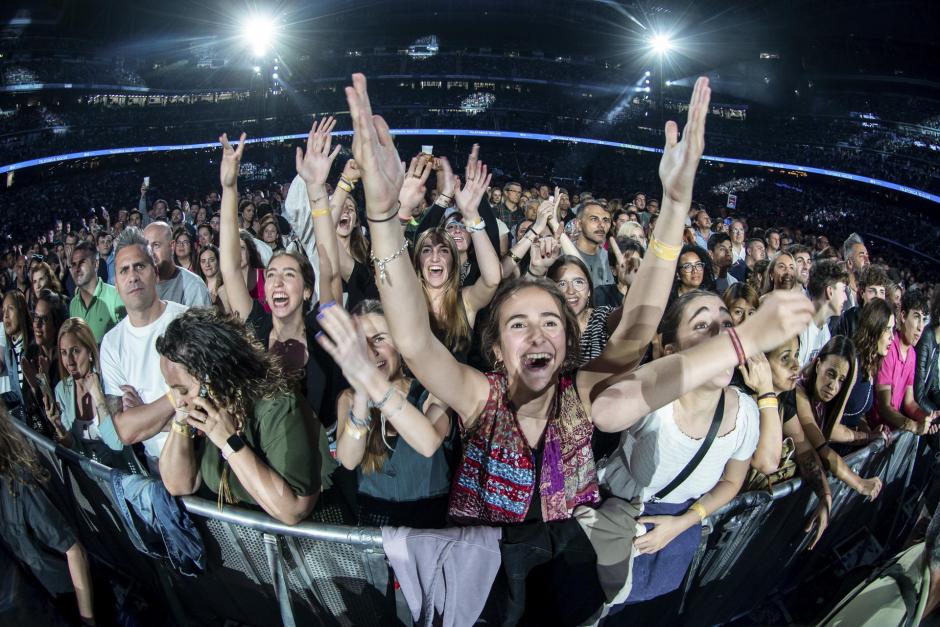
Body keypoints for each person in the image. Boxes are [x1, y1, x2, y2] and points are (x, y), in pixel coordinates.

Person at [348, 71, 812, 620]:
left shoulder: (585, 392)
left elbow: (637, 331)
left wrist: (675, 203)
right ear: (495, 348)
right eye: (518, 324)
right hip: (487, 588)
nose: (538, 333)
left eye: (551, 322)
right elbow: (413, 339)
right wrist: (381, 215)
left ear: (568, 342)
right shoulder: (479, 395)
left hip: (566, 578)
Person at [157, 308, 321, 525]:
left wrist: (229, 443)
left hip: (306, 552)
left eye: (184, 390)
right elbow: (178, 484)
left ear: (213, 376)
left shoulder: (277, 404)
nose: (179, 400)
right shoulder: (204, 410)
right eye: (173, 389)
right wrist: (181, 417)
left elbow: (294, 510)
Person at [320, 300, 454, 528]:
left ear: (400, 345)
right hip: (374, 523)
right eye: (361, 344)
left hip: (430, 525)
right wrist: (362, 393)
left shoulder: (432, 389)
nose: (370, 351)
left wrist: (377, 389)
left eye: (379, 339)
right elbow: (349, 460)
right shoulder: (349, 399)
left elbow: (428, 443)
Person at [100, 227, 187, 473]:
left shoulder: (186, 320)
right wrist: (177, 398)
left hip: (202, 455)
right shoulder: (111, 344)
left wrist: (144, 414)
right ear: (116, 284)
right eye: (124, 270)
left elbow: (205, 411)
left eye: (140, 266)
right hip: (155, 466)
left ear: (155, 273)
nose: (133, 276)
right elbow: (124, 431)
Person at [0, 404, 96, 625]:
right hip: (27, 606)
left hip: (60, 603)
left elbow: (74, 552)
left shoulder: (20, 485)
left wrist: (87, 620)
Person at [762, 337, 831, 549]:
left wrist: (825, 496)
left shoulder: (784, 396)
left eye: (796, 355)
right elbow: (765, 461)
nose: (796, 365)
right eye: (785, 358)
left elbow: (804, 449)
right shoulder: (743, 400)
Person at [48, 317, 128, 468]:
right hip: (87, 476)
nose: (69, 361)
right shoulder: (62, 390)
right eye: (64, 353)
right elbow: (73, 448)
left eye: (75, 351)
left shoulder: (108, 381)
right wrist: (59, 428)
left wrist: (98, 396)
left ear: (90, 351)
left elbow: (117, 445)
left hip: (121, 471)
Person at [870, 289, 940, 435]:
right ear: (902, 316)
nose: (921, 326)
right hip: (874, 433)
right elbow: (884, 406)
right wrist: (913, 425)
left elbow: (909, 403)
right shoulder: (888, 349)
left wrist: (926, 418)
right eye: (916, 317)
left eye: (923, 319)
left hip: (891, 435)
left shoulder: (912, 354)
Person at [844, 299, 896, 431]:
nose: (893, 337)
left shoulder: (871, 364)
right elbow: (833, 420)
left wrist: (871, 431)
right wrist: (867, 437)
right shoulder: (852, 361)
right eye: (887, 329)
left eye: (893, 329)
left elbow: (855, 416)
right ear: (874, 328)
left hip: (848, 446)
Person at [142, 221, 211, 307]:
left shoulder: (193, 286)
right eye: (146, 247)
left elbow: (202, 320)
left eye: (156, 245)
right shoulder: (140, 284)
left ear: (172, 246)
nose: (150, 253)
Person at [68, 241, 125, 344]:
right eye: (73, 264)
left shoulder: (115, 297)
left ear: (96, 264)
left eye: (82, 263)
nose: (76, 269)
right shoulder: (73, 304)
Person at [798, 260, 849, 368]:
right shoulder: (799, 327)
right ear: (830, 292)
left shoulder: (825, 330)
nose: (845, 298)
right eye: (843, 290)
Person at [829, 264, 890, 339]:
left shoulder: (888, 321)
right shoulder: (848, 319)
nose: (878, 297)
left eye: (882, 292)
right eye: (872, 291)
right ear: (862, 293)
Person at [574, 201, 615, 287]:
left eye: (606, 220)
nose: (602, 225)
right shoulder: (562, 254)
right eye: (594, 219)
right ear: (578, 224)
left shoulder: (609, 258)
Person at [915, 289, 940, 415]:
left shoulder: (936, 343)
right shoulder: (926, 339)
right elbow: (918, 396)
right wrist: (936, 414)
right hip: (911, 411)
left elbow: (934, 389)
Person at [842, 233, 870, 310]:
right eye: (861, 256)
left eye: (867, 256)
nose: (867, 261)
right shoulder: (839, 292)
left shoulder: (870, 294)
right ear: (850, 263)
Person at [196, 244, 226, 311]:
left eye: (211, 260)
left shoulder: (226, 287)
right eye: (203, 261)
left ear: (218, 261)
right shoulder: (197, 286)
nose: (207, 265)